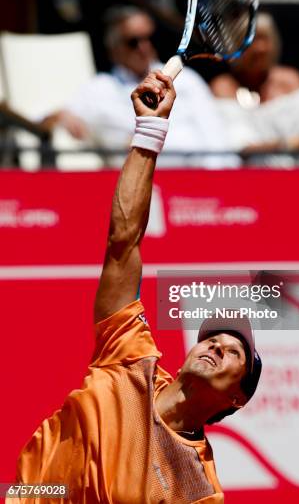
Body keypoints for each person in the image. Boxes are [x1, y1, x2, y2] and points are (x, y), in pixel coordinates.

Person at [10, 70, 262, 503]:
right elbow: (122, 243)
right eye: (214, 338)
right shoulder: (129, 359)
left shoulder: (198, 490)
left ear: (238, 398)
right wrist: (150, 130)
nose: (216, 346)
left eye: (233, 351)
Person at [44, 6, 233, 167]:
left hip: (196, 182)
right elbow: (46, 121)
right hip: (137, 187)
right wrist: (61, 116)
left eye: (149, 38)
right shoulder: (98, 88)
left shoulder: (187, 80)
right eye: (133, 42)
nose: (144, 47)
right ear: (113, 48)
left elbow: (216, 139)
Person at [210, 13, 299, 156]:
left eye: (265, 39)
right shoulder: (223, 87)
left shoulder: (291, 80)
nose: (260, 49)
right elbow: (238, 146)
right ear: (235, 45)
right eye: (252, 40)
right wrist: (291, 144)